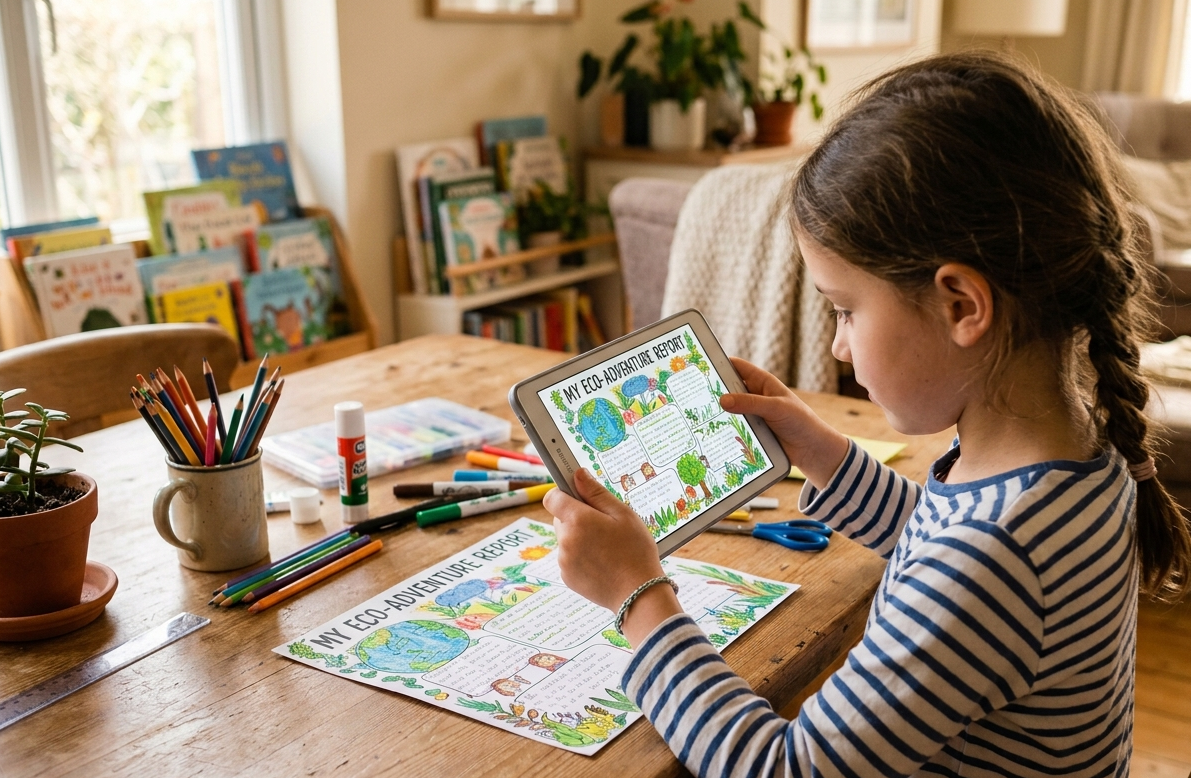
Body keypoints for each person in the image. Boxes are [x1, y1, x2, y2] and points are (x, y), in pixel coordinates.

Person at [543, 51, 1191, 777]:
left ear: (960, 306)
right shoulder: (1074, 458)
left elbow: (781, 768)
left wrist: (638, 596)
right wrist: (819, 450)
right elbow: (938, 537)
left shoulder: (992, 558)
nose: (836, 346)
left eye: (845, 309)